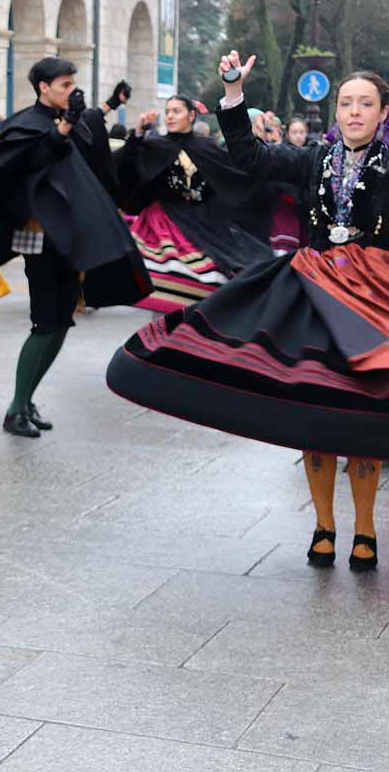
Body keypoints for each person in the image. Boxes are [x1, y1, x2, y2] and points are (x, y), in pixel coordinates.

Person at [108, 51, 389, 571]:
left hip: (374, 299)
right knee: (316, 415)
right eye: (346, 103)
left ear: (381, 112)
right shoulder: (314, 160)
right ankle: (325, 526)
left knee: (364, 420)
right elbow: (250, 156)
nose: (353, 112)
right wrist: (233, 94)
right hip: (317, 293)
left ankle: (366, 529)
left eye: (365, 104)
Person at [0, 59, 149, 438]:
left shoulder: (80, 122)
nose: (71, 90)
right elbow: (32, 161)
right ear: (43, 88)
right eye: (64, 84)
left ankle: (27, 399)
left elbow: (96, 167)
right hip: (39, 238)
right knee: (46, 322)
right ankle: (16, 408)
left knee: (62, 321)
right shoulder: (27, 124)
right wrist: (65, 127)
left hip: (74, 235)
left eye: (72, 84)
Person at [114, 96, 274, 312]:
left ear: (191, 115)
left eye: (176, 111)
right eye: (168, 111)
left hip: (205, 220)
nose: (170, 116)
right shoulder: (153, 145)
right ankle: (161, 332)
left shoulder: (207, 147)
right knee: (163, 281)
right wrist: (138, 134)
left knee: (222, 274)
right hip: (164, 221)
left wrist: (259, 143)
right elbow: (124, 165)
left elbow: (238, 174)